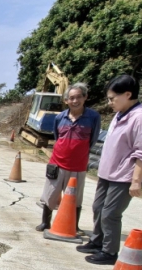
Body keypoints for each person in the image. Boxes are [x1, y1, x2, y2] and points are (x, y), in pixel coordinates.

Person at [77, 74, 142, 265]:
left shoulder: (140, 119)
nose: (109, 103)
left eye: (112, 98)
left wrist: (136, 181)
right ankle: (97, 241)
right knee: (98, 208)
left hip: (123, 176)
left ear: (128, 94)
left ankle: (109, 252)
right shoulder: (120, 114)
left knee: (110, 214)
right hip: (108, 173)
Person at [36, 83, 100, 232]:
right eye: (71, 98)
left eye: (78, 97)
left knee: (75, 197)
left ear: (85, 98)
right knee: (50, 194)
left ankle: (73, 225)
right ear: (66, 101)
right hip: (57, 163)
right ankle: (46, 222)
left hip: (78, 165)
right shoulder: (60, 117)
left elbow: (93, 139)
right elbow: (58, 137)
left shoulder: (93, 117)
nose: (75, 101)